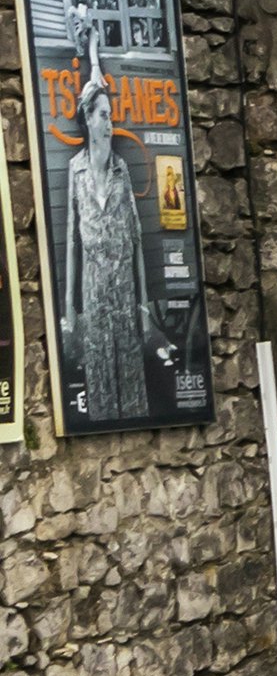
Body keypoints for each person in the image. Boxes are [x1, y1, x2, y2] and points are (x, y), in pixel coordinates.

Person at [56, 48, 158, 426]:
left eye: (111, 117)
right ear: (88, 120)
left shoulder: (122, 170)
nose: (109, 124)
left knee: (133, 393)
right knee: (99, 392)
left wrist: (144, 306)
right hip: (95, 301)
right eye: (103, 116)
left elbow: (136, 242)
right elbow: (71, 243)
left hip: (125, 299)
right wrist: (71, 309)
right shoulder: (76, 171)